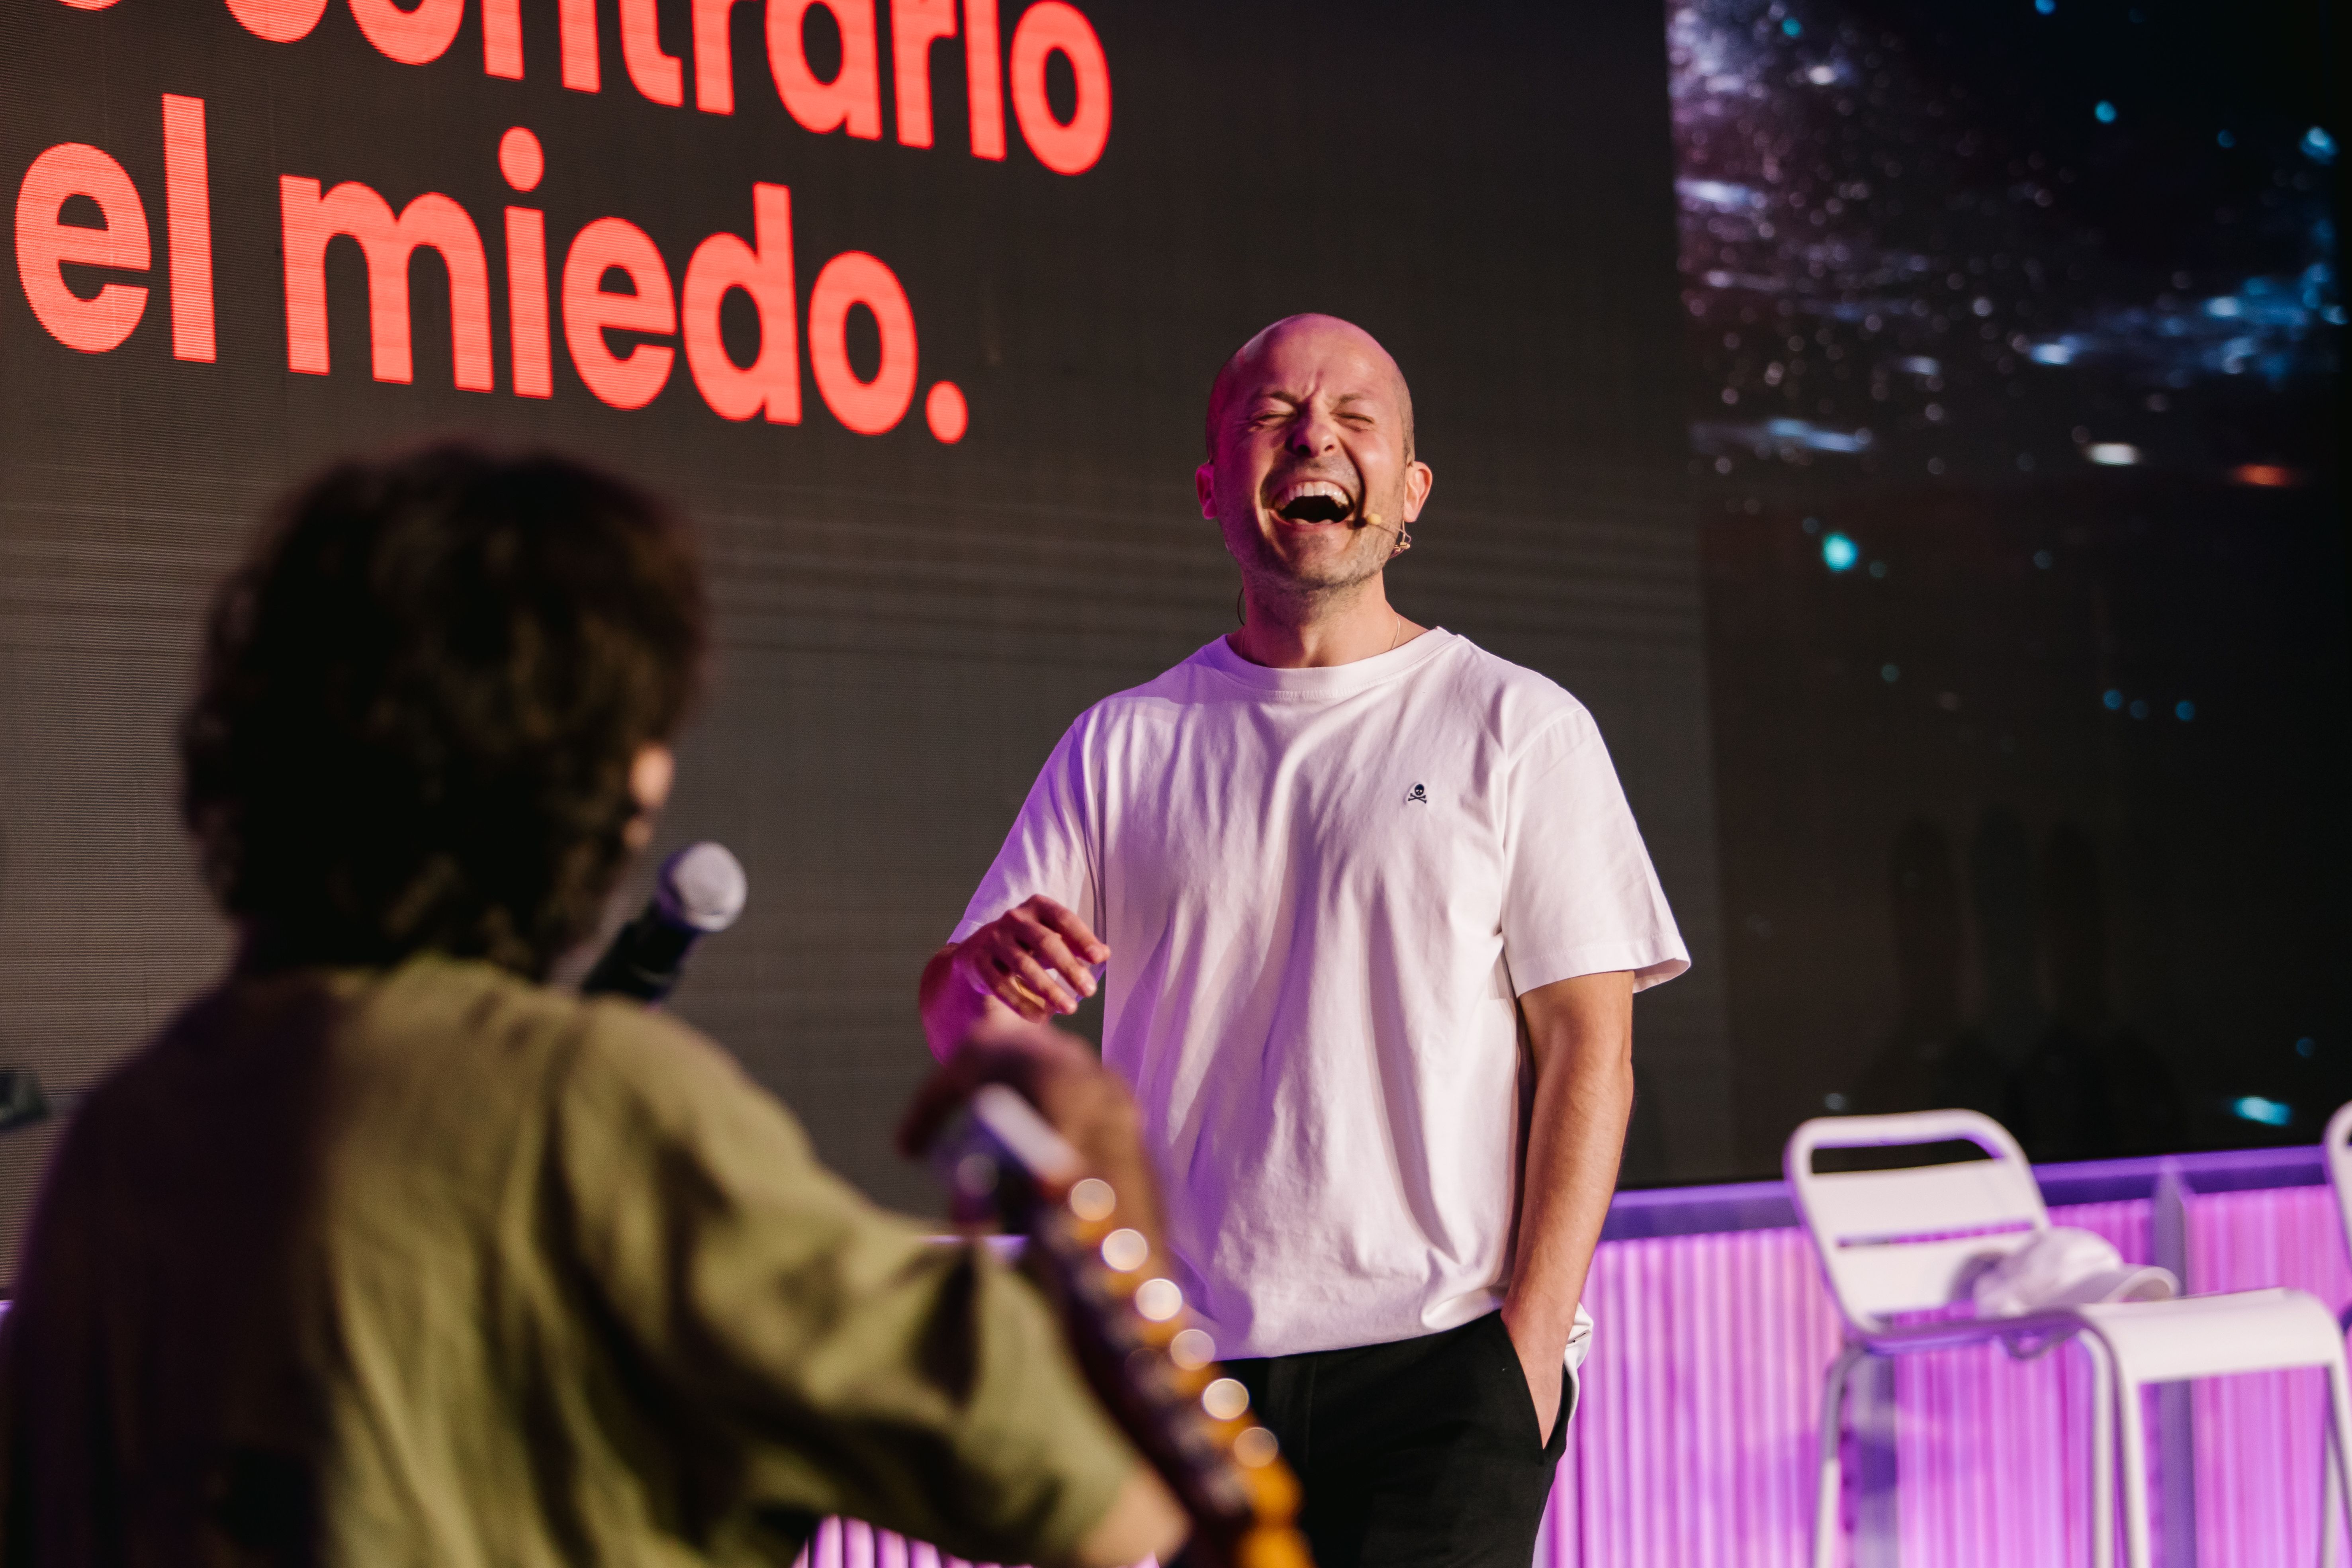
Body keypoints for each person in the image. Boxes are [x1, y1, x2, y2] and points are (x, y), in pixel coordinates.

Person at [0, 446, 1186, 1567]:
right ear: (597, 775)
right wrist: (1086, 1149)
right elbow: (1086, 1488)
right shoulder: (586, 1105)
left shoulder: (127, 1137)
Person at [920, 315, 1689, 1568]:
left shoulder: (1518, 725)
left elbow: (1591, 1060)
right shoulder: (1125, 743)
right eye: (1273, 418)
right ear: (1217, 490)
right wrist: (980, 977)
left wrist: (1526, 1354)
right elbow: (969, 1026)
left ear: (1409, 491)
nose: (1314, 438)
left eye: (1354, 418)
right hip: (1178, 1374)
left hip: (1443, 1370)